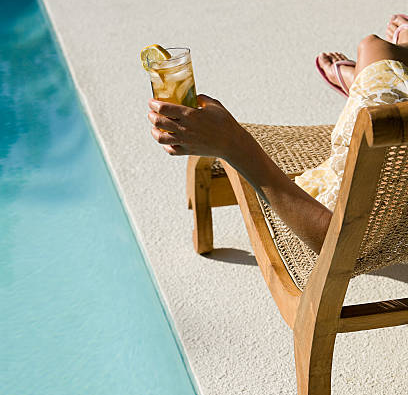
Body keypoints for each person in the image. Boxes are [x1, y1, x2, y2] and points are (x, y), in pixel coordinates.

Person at [147, 15, 408, 255]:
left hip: (380, 142)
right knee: (378, 53)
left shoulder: (370, 189)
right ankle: (363, 79)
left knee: (374, 46)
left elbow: (338, 243)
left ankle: (364, 78)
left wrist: (231, 144)